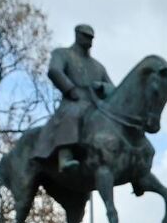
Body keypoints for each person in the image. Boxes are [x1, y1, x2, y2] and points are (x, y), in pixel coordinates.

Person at [34, 25, 115, 174]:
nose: (89, 40)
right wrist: (70, 89)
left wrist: (102, 87)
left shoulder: (98, 67)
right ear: (77, 34)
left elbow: (113, 90)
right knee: (72, 114)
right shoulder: (62, 54)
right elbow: (54, 70)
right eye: (86, 36)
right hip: (73, 101)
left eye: (91, 37)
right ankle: (65, 157)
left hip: (96, 105)